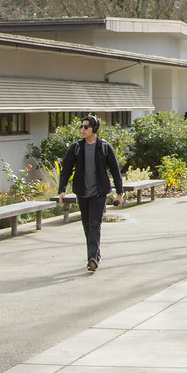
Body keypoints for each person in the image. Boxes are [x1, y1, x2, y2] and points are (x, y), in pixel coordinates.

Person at [58, 115, 124, 273]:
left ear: (94, 129)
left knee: (94, 224)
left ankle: (92, 259)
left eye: (86, 127)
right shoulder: (76, 148)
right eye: (81, 127)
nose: (83, 129)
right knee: (87, 227)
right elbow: (66, 169)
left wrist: (120, 193)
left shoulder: (104, 147)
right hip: (82, 193)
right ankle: (96, 254)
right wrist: (62, 190)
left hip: (98, 193)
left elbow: (115, 171)